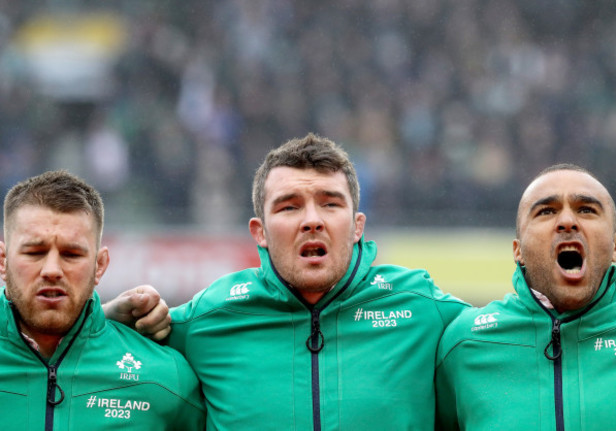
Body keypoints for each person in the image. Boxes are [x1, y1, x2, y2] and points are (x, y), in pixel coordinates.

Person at [107, 133, 467, 430]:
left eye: (330, 204)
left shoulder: (421, 307)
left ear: (357, 227)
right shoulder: (206, 321)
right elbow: (75, 352)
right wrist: (107, 319)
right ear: (259, 232)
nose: (312, 220)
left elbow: (513, 330)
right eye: (289, 207)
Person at [435, 163, 616, 430]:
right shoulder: (463, 342)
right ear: (518, 251)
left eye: (586, 209)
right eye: (547, 211)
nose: (568, 221)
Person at [0, 170, 205, 430]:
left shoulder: (164, 378)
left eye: (71, 254)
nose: (52, 269)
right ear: (3, 261)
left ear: (100, 266)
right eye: (34, 252)